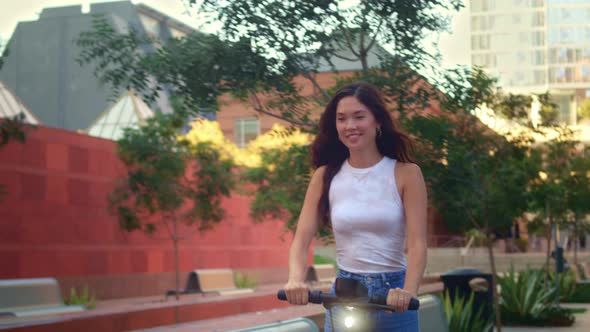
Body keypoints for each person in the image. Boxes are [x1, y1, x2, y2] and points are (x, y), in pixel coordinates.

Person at [283, 82, 427, 331]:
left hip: (393, 293)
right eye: (342, 119)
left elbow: (417, 243)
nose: (350, 126)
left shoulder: (406, 174)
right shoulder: (325, 175)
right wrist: (295, 280)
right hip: (345, 292)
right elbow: (301, 239)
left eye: (359, 117)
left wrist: (408, 291)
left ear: (377, 122)